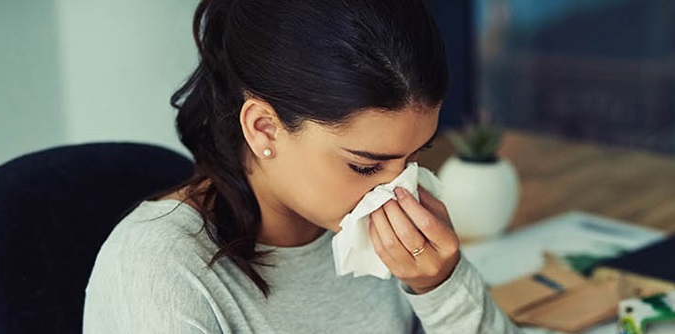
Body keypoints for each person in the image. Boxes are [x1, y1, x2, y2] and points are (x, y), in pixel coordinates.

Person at [83, 0, 518, 332]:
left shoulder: (387, 245)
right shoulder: (155, 272)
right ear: (264, 129)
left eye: (414, 157)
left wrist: (441, 286)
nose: (401, 190)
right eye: (366, 167)